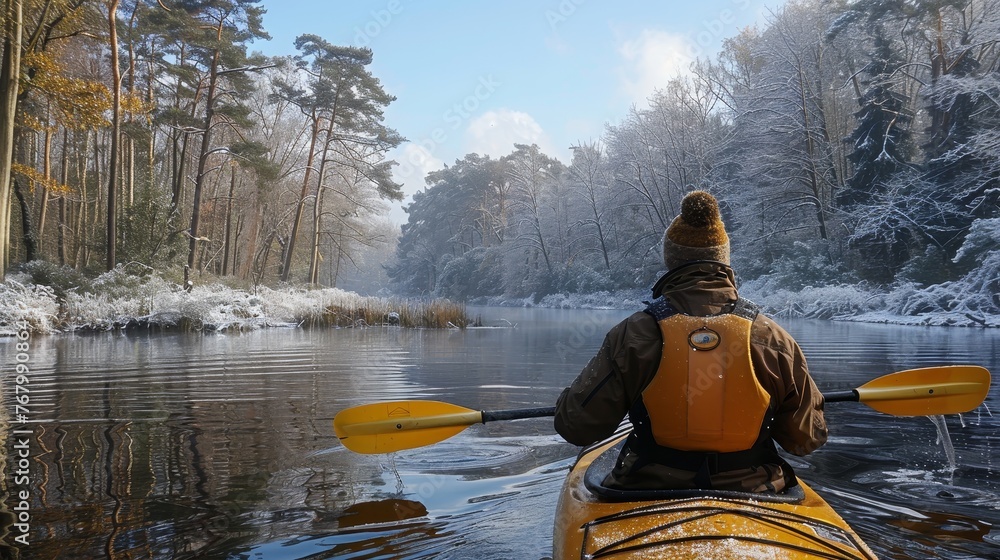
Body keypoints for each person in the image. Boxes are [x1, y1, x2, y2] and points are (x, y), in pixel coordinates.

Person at [554, 190, 827, 493]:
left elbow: (576, 426)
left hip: (647, 489)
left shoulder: (633, 335)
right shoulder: (774, 339)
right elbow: (805, 440)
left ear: (671, 260)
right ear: (723, 259)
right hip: (755, 491)